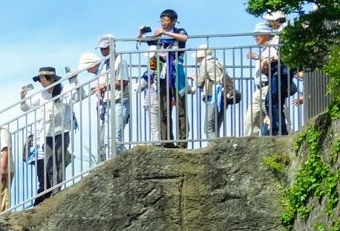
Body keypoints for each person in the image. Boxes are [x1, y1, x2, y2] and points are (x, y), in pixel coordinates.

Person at [141, 9, 189, 144]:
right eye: (161, 20)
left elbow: (184, 38)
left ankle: (182, 140)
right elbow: (141, 40)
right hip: (162, 74)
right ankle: (166, 140)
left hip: (176, 72)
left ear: (173, 21)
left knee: (181, 107)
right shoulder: (158, 36)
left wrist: (165, 33)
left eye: (166, 20)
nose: (163, 23)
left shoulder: (179, 31)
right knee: (164, 107)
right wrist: (141, 32)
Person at [31, 67, 73, 198]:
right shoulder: (41, 94)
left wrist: (74, 81)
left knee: (58, 162)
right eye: (40, 80)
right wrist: (22, 97)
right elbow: (25, 106)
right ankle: (53, 190)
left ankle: (57, 190)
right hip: (47, 134)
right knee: (49, 163)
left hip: (61, 131)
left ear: (51, 79)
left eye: (43, 79)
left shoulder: (63, 90)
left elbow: (78, 96)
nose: (41, 82)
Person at [89, 35, 131, 153]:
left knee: (115, 138)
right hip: (108, 103)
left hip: (120, 102)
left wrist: (104, 86)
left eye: (105, 48)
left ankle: (119, 165)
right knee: (108, 139)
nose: (103, 51)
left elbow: (124, 82)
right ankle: (124, 161)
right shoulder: (104, 64)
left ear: (112, 47)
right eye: (102, 49)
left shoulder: (120, 61)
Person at [257, 11, 293, 135]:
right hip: (281, 68)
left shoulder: (285, 32)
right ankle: (280, 130)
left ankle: (280, 131)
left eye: (270, 21)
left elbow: (285, 53)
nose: (268, 23)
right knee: (275, 101)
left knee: (272, 101)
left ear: (276, 20)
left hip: (282, 68)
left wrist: (271, 59)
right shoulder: (283, 31)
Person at [191, 45, 239, 136]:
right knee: (216, 126)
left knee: (208, 127)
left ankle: (213, 147)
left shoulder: (205, 63)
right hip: (224, 95)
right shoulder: (218, 62)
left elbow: (199, 83)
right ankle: (218, 146)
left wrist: (194, 78)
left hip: (213, 95)